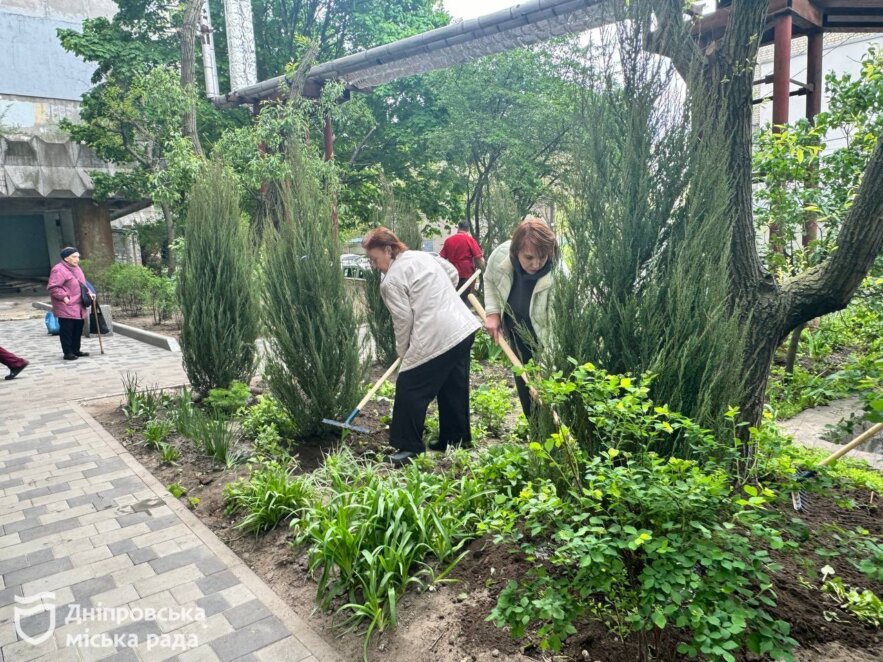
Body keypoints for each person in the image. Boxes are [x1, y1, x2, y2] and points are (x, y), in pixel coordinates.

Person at [363, 227, 480, 466]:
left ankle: (408, 448)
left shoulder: (391, 281)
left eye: (375, 259)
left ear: (388, 249)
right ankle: (455, 438)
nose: (375, 265)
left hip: (435, 335)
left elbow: (403, 320)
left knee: (409, 386)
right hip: (463, 327)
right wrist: (437, 295)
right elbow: (452, 272)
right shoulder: (421, 256)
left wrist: (402, 351)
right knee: (452, 385)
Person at [483, 218, 560, 417]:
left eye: (542, 257)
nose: (536, 264)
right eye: (529, 257)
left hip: (545, 342)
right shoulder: (501, 255)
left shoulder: (559, 277)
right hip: (516, 336)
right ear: (516, 251)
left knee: (548, 397)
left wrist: (545, 367)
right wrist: (492, 312)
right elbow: (489, 278)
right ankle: (536, 437)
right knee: (526, 393)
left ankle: (551, 442)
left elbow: (556, 330)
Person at [47, 247, 92, 361]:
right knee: (67, 329)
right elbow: (54, 287)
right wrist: (64, 297)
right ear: (66, 258)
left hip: (79, 303)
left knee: (78, 328)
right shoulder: (58, 270)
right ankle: (68, 352)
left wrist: (90, 292)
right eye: (74, 256)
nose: (77, 259)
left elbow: (83, 284)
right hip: (66, 304)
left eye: (78, 256)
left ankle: (76, 350)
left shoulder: (77, 268)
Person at [439, 220, 486, 301]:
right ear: (468, 229)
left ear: (458, 228)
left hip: (452, 275)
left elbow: (440, 258)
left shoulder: (448, 241)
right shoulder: (469, 240)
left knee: (454, 299)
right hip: (467, 275)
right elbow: (479, 259)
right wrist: (485, 271)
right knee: (465, 299)